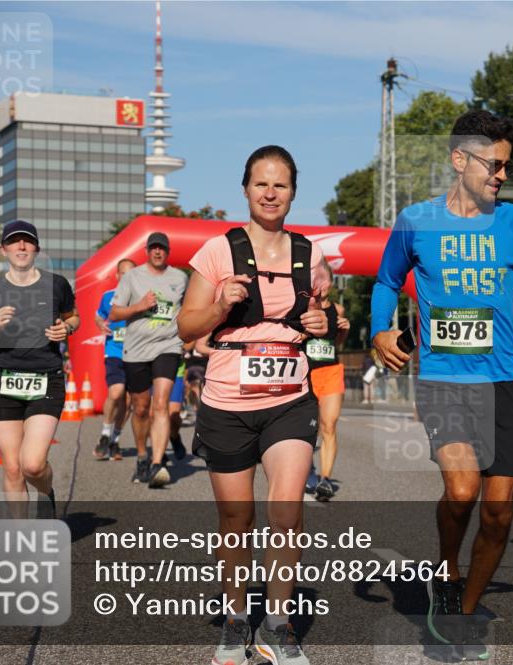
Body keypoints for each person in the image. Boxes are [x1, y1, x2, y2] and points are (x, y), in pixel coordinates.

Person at [371, 109, 513, 659]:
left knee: (499, 513)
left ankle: (464, 612)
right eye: (494, 165)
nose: (501, 176)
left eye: (507, 167)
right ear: (459, 159)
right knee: (462, 491)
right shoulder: (416, 220)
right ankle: (446, 573)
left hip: (502, 382)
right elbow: (386, 280)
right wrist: (381, 329)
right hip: (444, 380)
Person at [177, 145, 330, 665]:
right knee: (236, 519)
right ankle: (237, 617)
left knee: (286, 511)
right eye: (261, 184)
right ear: (245, 189)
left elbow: (326, 314)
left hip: (289, 399)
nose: (270, 193)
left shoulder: (311, 255)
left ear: (293, 193)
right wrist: (220, 305)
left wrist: (322, 322)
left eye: (280, 185)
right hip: (226, 402)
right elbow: (186, 327)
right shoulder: (216, 252)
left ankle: (277, 626)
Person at [0, 220, 78, 517]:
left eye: (27, 241)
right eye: (14, 241)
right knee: (13, 466)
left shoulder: (56, 284)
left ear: (36, 249)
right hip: (3, 381)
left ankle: (46, 491)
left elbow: (74, 317)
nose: (21, 246)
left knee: (32, 465)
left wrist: (67, 328)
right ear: (2, 249)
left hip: (46, 379)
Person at [109, 232, 188, 488]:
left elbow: (188, 309)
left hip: (168, 345)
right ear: (147, 251)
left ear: (168, 252)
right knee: (141, 407)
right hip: (137, 348)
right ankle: (143, 455)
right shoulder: (132, 277)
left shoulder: (180, 278)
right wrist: (140, 306)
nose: (158, 252)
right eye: (153, 248)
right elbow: (114, 313)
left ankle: (157, 464)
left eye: (162, 248)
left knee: (161, 403)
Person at [302, 260, 350, 501]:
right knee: (305, 428)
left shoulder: (337, 310)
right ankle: (306, 467)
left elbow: (335, 342)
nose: (321, 284)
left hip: (331, 371)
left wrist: (345, 330)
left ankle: (325, 480)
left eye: (325, 279)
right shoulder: (301, 307)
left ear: (331, 282)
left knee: (328, 426)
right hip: (304, 373)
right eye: (316, 279)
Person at [94, 258, 135, 460]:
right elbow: (98, 315)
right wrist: (101, 324)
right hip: (115, 351)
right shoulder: (108, 296)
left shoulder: (143, 297)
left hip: (137, 354)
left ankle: (115, 441)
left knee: (128, 401)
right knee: (116, 392)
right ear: (118, 275)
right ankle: (104, 434)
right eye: (124, 274)